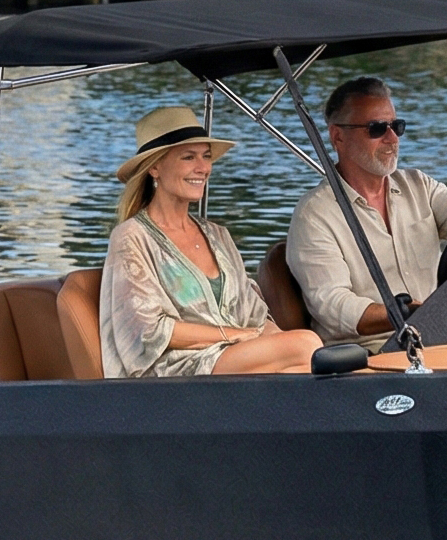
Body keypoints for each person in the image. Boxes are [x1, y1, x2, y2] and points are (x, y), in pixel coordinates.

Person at [100, 106, 322, 378]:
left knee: (314, 361)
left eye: (206, 156)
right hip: (175, 372)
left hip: (233, 360)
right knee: (308, 346)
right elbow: (147, 330)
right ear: (155, 167)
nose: (203, 168)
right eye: (188, 157)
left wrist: (279, 341)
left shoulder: (218, 235)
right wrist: (235, 336)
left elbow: (255, 315)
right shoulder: (131, 237)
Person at [284, 77, 447, 346]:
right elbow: (333, 304)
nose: (392, 138)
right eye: (377, 128)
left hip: (436, 337)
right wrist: (405, 313)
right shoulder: (314, 215)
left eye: (396, 126)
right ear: (338, 136)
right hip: (368, 355)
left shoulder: (418, 185)